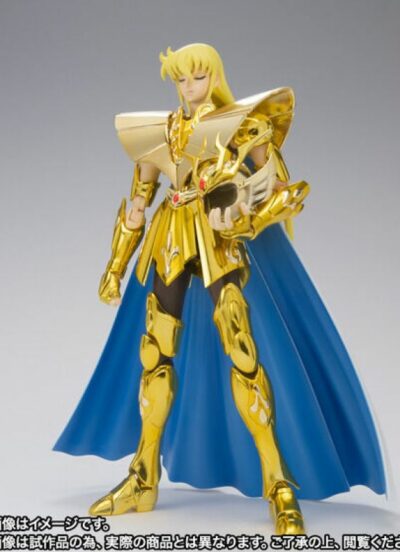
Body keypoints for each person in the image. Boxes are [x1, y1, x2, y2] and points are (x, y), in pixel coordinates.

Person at [54, 43, 386, 536]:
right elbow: (138, 203)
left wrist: (251, 214)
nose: (189, 88)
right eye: (181, 79)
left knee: (243, 349)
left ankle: (277, 481)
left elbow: (278, 190)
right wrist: (115, 266)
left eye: (198, 77)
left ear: (214, 77)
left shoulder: (239, 124)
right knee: (154, 352)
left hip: (218, 240)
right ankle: (143, 476)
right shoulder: (158, 132)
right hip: (171, 236)